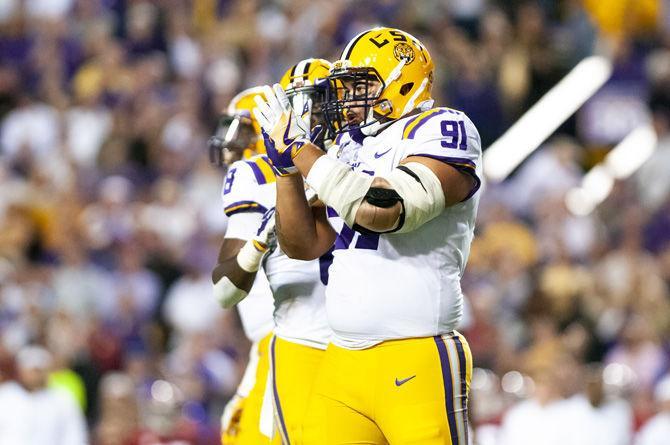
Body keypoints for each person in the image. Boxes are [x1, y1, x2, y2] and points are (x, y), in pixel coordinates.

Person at [255, 27, 482, 444]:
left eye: (362, 83)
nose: (349, 96)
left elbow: (384, 209)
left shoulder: (443, 128)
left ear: (403, 79)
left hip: (415, 358)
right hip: (342, 360)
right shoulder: (347, 145)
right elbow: (303, 245)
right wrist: (285, 170)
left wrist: (303, 152)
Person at [213, 58, 334, 444]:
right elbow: (225, 288)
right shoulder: (256, 175)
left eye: (242, 128)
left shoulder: (354, 161)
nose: (232, 141)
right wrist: (261, 240)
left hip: (320, 337)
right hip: (291, 340)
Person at [209, 87, 277, 444]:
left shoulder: (263, 179)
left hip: (287, 338)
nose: (233, 142)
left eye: (245, 130)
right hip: (267, 341)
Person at [0, 345, 88, 445]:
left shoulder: (62, 398)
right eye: (30, 370)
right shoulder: (5, 395)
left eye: (38, 370)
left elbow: (75, 435)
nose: (34, 375)